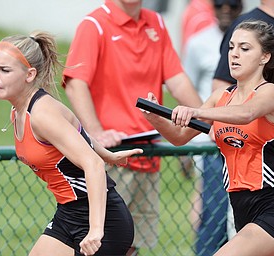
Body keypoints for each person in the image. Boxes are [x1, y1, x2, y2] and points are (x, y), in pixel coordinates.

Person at [141, 20, 274, 256]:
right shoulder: (220, 97)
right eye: (231, 47)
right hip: (241, 210)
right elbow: (179, 137)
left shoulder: (269, 92)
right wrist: (155, 116)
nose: (234, 54)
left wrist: (196, 111)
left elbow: (246, 113)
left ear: (264, 57)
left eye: (245, 48)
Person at [62, 0, 203, 255]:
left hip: (147, 156)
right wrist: (96, 132)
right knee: (99, 245)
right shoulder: (94, 24)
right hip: (110, 159)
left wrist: (207, 121)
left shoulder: (156, 22)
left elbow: (177, 80)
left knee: (132, 246)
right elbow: (75, 83)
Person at [0, 31, 144, 256]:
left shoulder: (42, 114)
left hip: (102, 221)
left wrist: (95, 231)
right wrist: (107, 154)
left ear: (30, 74)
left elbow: (93, 165)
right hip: (68, 214)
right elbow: (75, 130)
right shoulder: (19, 111)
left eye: (4, 70)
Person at [182, 0, 243, 254]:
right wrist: (200, 126)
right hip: (208, 135)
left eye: (232, 3)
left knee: (236, 216)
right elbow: (186, 87)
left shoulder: (253, 35)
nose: (225, 9)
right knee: (210, 210)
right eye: (219, 4)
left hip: (241, 134)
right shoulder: (198, 42)